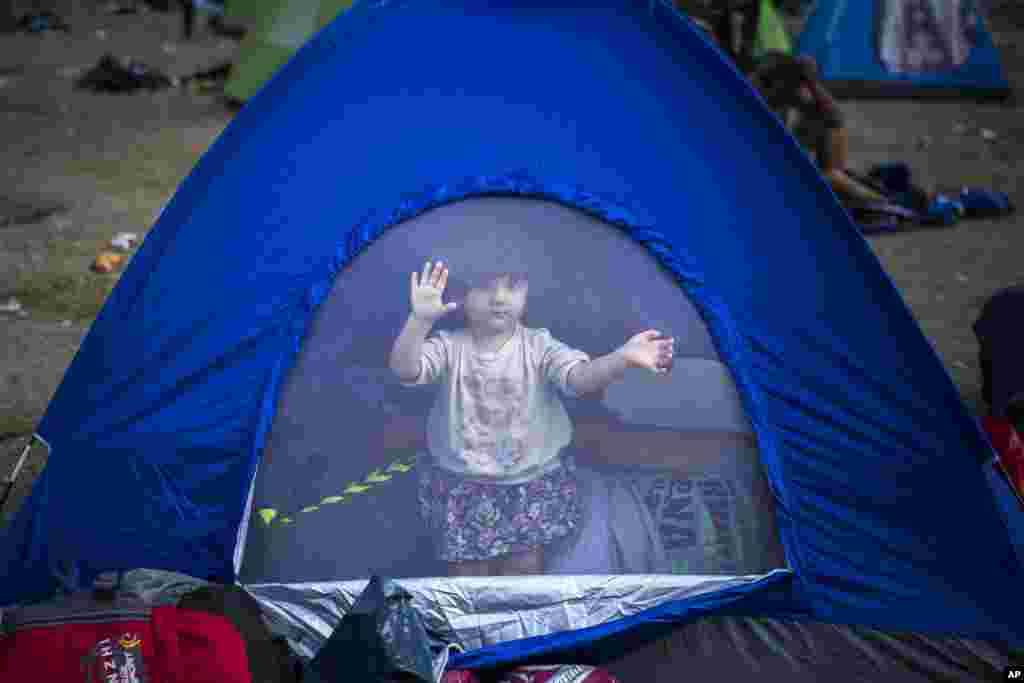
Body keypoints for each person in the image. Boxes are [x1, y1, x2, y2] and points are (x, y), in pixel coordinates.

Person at [389, 261, 675, 577]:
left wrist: (622, 358)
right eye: (485, 287)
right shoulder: (449, 345)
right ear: (463, 294)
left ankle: (521, 629)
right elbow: (406, 370)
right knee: (466, 574)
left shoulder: (539, 345)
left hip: (530, 482)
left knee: (524, 572)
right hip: (461, 484)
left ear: (526, 294)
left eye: (511, 286)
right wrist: (419, 321)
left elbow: (580, 380)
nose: (499, 297)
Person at [749, 53, 889, 206]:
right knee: (832, 178)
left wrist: (811, 82)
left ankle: (873, 198)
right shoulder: (760, 96)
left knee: (831, 173)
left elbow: (833, 118)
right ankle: (873, 198)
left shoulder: (788, 94)